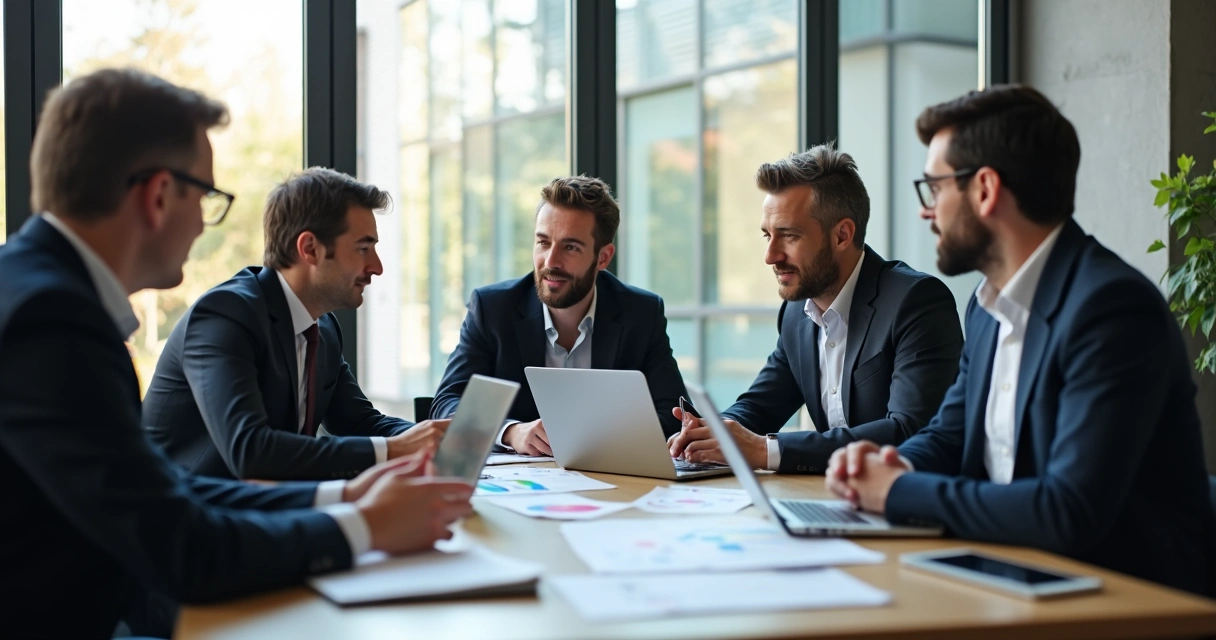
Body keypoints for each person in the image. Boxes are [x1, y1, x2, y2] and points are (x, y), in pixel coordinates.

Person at [0, 68, 473, 638]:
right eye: (206, 196)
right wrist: (363, 527)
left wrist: (345, 495)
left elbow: (163, 488)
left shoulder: (33, 292)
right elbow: (184, 542)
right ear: (156, 195)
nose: (204, 221)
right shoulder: (50, 321)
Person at [825, 84, 1215, 596]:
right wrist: (892, 462)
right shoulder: (987, 308)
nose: (928, 210)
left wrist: (898, 491)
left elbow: (1069, 510)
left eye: (935, 188)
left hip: (1127, 599)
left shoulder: (1112, 309)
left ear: (984, 189)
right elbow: (949, 435)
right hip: (1015, 575)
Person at [667, 144, 963, 474]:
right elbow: (761, 405)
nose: (770, 256)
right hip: (835, 499)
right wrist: (710, 433)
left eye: (789, 236)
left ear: (842, 235)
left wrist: (765, 450)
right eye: (767, 235)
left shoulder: (916, 301)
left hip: (907, 504)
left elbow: (909, 431)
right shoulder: (796, 313)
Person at [143, 167, 448, 481]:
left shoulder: (323, 329)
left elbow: (358, 423)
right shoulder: (226, 315)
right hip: (185, 518)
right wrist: (395, 450)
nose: (377, 267)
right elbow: (251, 451)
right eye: (363, 248)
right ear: (310, 249)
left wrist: (438, 439)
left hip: (265, 508)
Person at [430, 175, 687, 455]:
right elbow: (447, 404)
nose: (551, 262)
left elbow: (674, 415)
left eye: (570, 247)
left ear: (603, 257)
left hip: (611, 483)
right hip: (519, 489)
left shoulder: (641, 313)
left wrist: (596, 440)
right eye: (543, 243)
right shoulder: (492, 309)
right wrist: (510, 432)